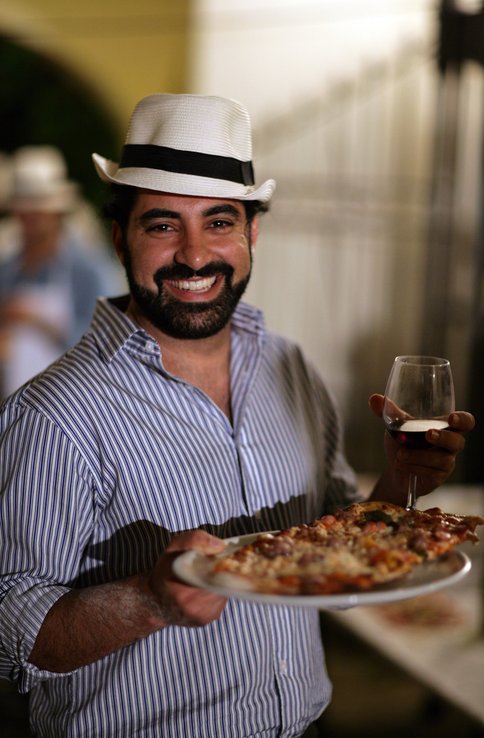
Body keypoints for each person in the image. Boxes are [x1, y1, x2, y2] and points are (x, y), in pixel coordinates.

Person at [0, 94, 474, 738]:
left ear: (253, 233)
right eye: (163, 225)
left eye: (219, 223)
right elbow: (10, 633)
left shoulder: (291, 369)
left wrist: (397, 487)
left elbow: (337, 545)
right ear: (119, 238)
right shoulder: (54, 414)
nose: (195, 256)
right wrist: (147, 600)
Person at [0, 145, 122, 397]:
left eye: (37, 209)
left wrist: (35, 322)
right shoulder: (7, 269)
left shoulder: (89, 270)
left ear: (56, 212)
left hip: (75, 402)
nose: (30, 218)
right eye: (25, 210)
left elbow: (106, 346)